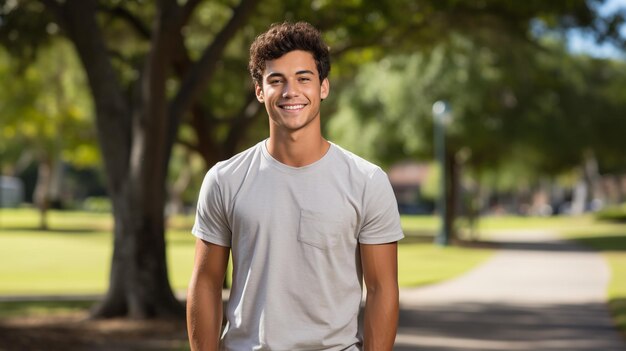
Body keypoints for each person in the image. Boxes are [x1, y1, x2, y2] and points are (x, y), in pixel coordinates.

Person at [187, 21, 404, 351]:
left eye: (304, 78)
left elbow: (381, 289)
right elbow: (205, 282)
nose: (291, 91)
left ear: (323, 87)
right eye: (277, 80)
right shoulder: (224, 180)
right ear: (260, 91)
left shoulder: (366, 182)